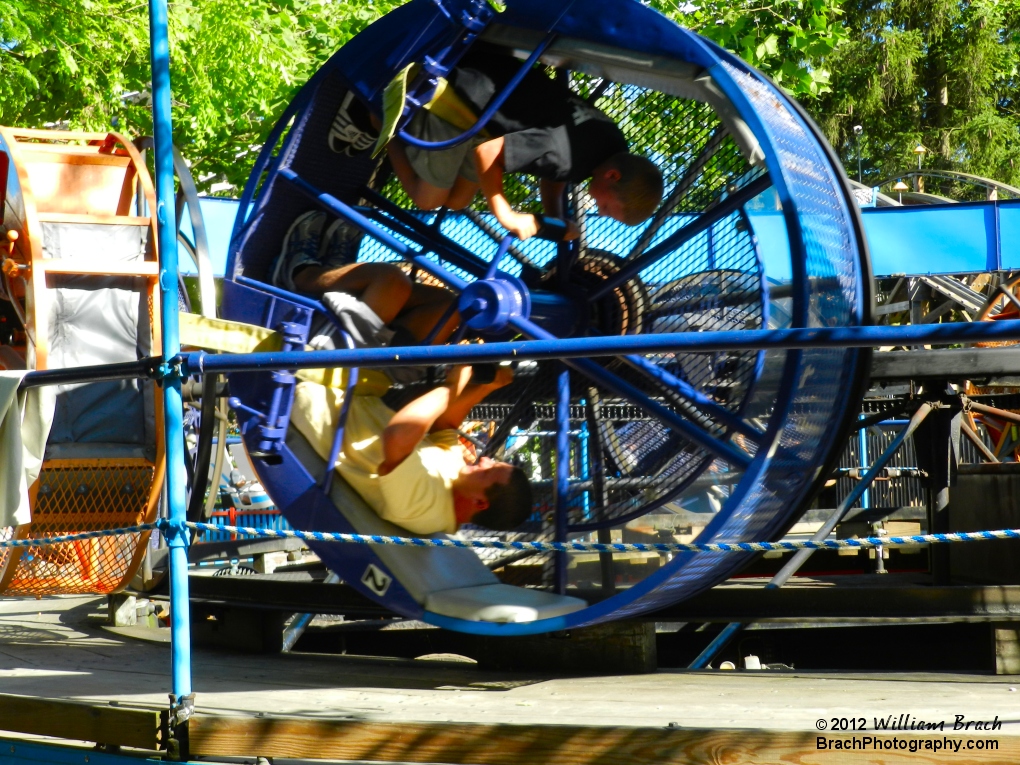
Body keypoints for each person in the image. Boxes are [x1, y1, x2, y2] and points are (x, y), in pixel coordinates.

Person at [382, 44, 664, 240]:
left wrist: (555, 219)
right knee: (427, 200)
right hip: (462, 97)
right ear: (612, 176)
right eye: (606, 207)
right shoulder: (567, 155)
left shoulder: (612, 144)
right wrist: (506, 213)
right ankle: (381, 122)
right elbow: (488, 153)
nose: (599, 209)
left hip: (488, 105)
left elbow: (554, 174)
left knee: (457, 202)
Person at [291, 363, 532, 535]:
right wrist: (488, 386)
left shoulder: (426, 509)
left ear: (480, 502)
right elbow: (446, 424)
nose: (486, 459)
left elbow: (397, 436)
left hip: (308, 392)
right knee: (437, 312)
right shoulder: (458, 479)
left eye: (490, 470)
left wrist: (452, 386)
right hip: (351, 387)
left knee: (394, 294)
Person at [270, 210, 459, 345]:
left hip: (352, 357)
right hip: (400, 355)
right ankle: (335, 271)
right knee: (448, 305)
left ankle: (300, 275)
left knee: (390, 278)